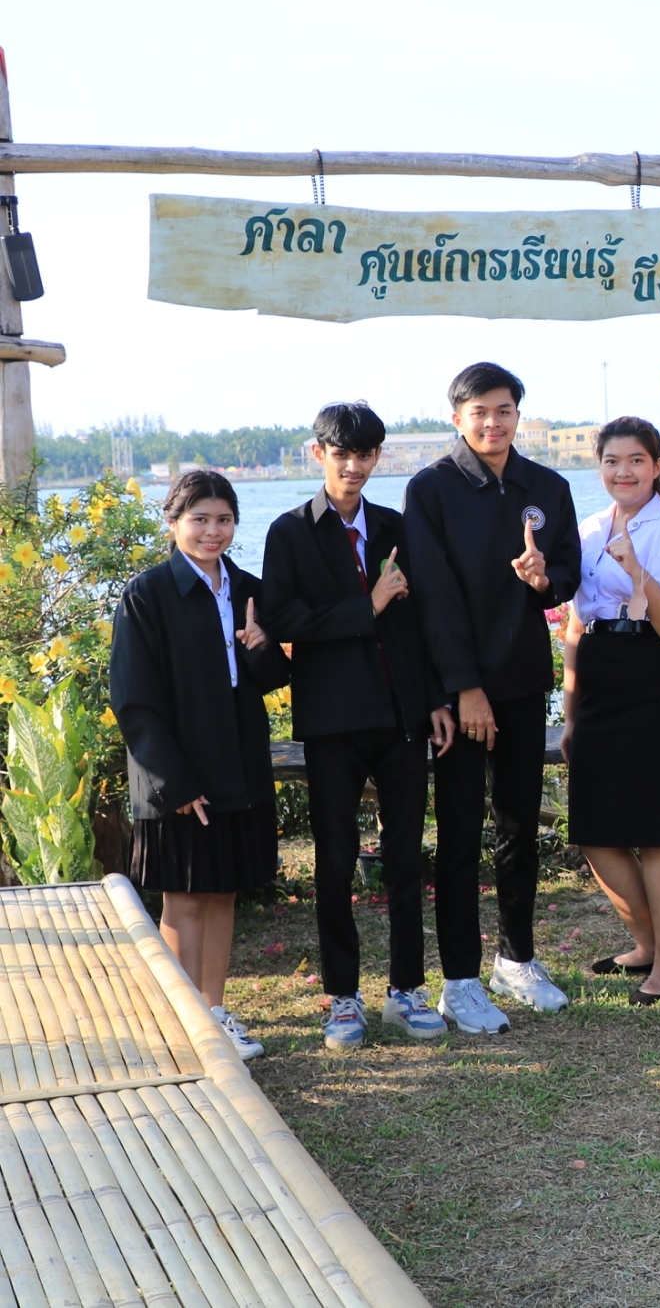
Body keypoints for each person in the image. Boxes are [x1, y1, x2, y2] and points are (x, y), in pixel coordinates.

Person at [262, 403, 456, 1050]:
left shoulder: (396, 527)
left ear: (378, 457)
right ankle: (343, 997)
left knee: (404, 858)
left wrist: (435, 698)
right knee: (335, 861)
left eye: (365, 454)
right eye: (341, 453)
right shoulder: (290, 532)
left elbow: (422, 622)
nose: (354, 465)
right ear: (318, 453)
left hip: (401, 717)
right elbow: (283, 620)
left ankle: (406, 990)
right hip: (333, 722)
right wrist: (365, 606)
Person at [406, 361, 580, 1033]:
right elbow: (433, 596)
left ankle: (517, 958)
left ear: (517, 415)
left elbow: (568, 573)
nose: (492, 422)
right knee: (458, 834)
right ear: (457, 418)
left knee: (518, 829)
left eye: (503, 410)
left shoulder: (548, 487)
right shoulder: (432, 489)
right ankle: (460, 980)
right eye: (478, 412)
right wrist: (464, 687)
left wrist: (544, 579)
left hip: (523, 683)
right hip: (459, 693)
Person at [112, 471, 289, 1062]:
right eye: (200, 519)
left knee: (221, 892)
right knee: (184, 897)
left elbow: (273, 678)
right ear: (173, 523)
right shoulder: (148, 594)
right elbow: (134, 699)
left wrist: (261, 646)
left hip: (236, 762)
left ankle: (214, 1013)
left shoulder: (247, 590)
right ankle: (185, 1025)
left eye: (224, 520)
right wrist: (175, 782)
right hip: (178, 771)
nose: (214, 531)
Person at [562, 417, 660, 1006]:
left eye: (637, 460)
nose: (624, 472)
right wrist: (570, 711)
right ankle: (645, 943)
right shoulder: (589, 529)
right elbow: (575, 624)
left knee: (659, 834)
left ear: (657, 466)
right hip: (599, 681)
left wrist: (638, 572)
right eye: (612, 461)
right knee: (595, 829)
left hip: (655, 677)